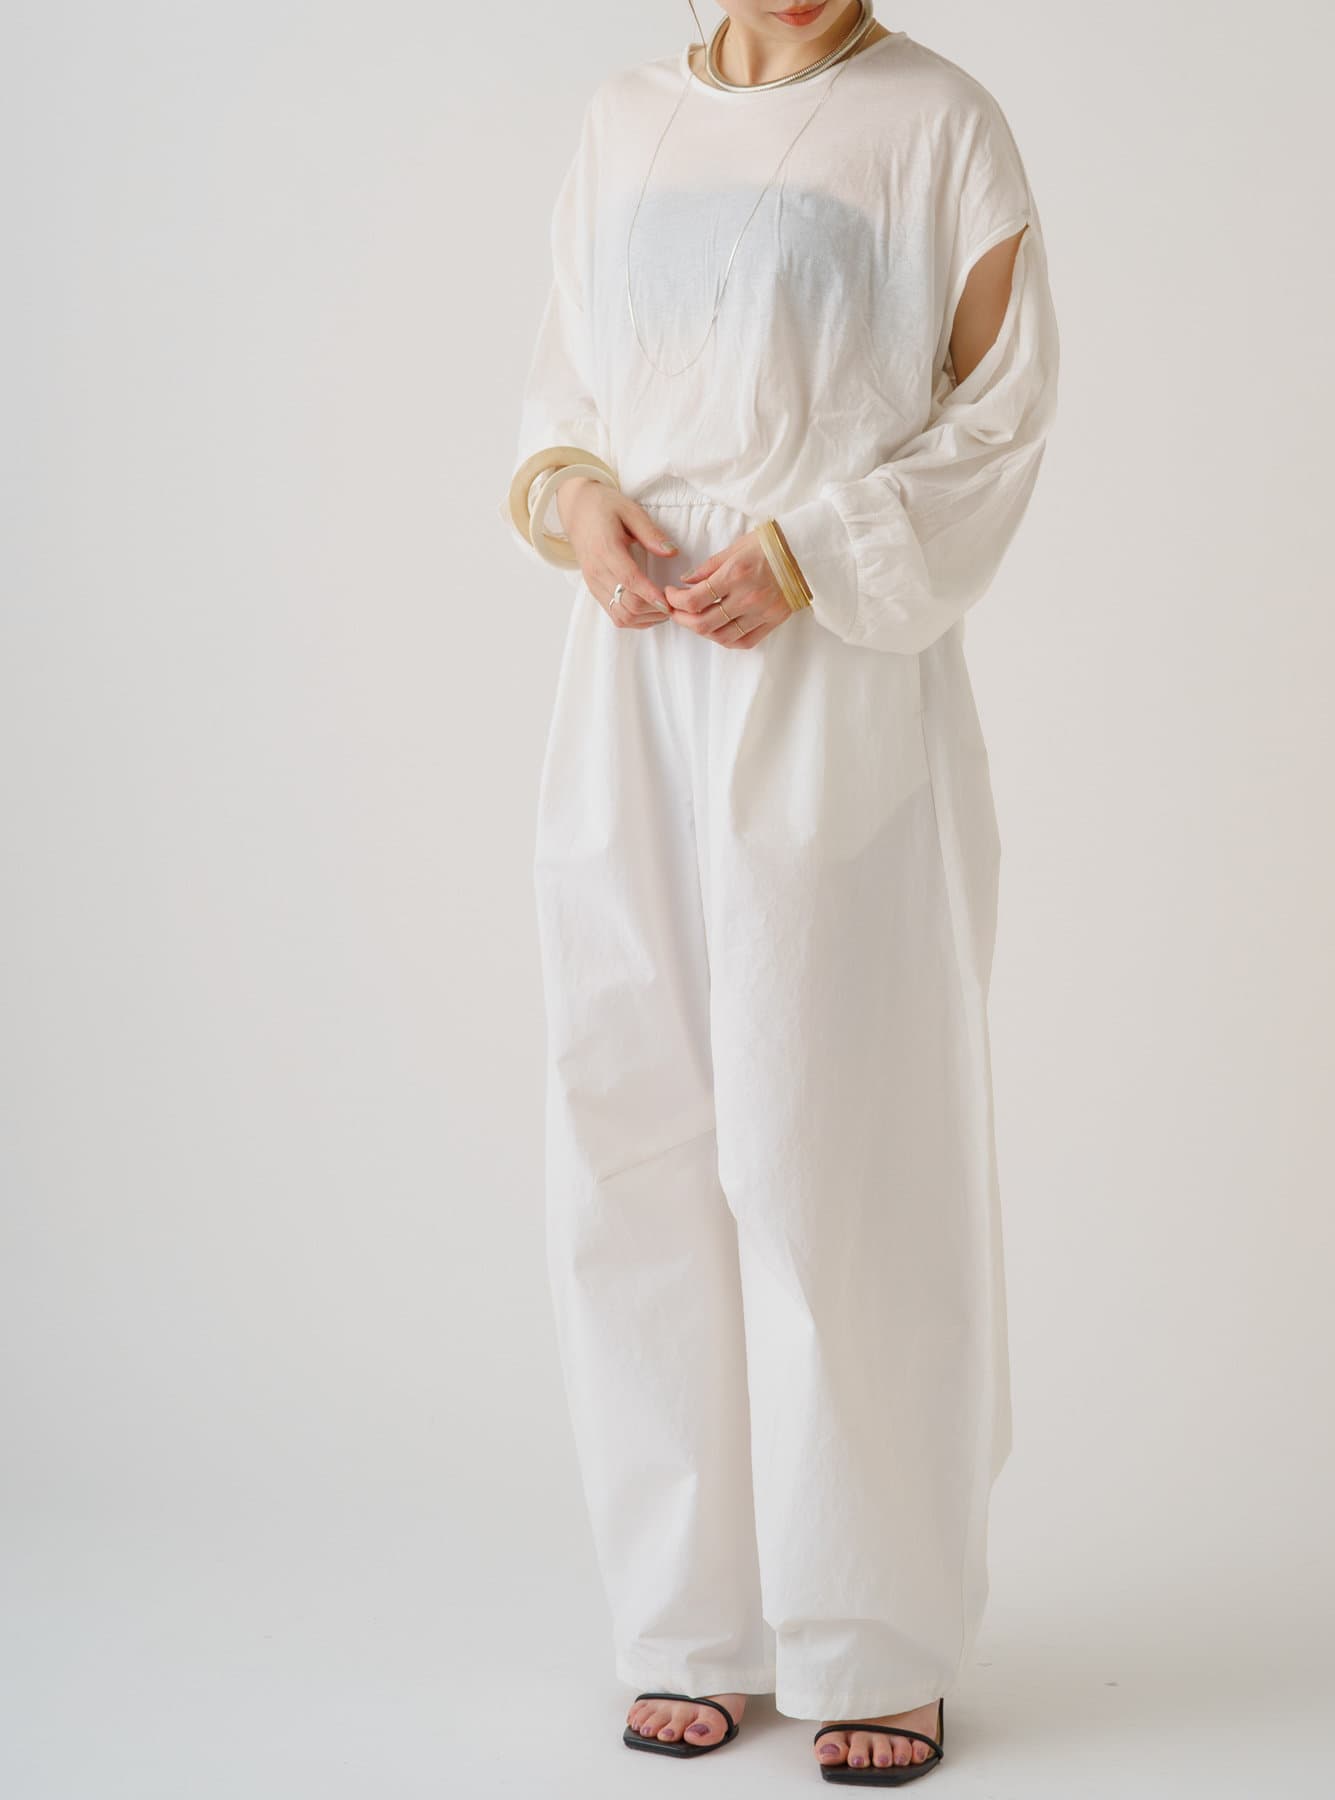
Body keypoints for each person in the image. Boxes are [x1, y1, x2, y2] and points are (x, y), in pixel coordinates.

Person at [505, 0, 1059, 1782]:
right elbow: (567, 397)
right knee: (634, 1135)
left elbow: (1000, 423)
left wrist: (815, 551)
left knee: (840, 1146)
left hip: (833, 682)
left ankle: (875, 1632)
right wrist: (579, 505)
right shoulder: (622, 122)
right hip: (633, 679)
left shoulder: (940, 127)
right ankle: (690, 1622)